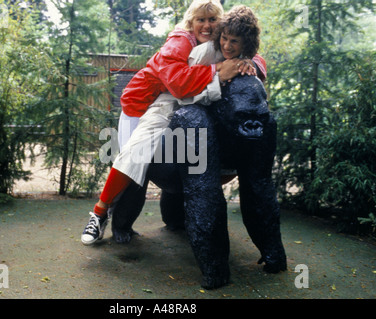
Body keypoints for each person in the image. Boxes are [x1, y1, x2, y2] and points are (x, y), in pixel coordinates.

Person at [81, 1, 262, 245]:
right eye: (200, 19)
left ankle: (174, 218)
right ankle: (101, 214)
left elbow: (252, 50)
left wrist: (250, 64)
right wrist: (218, 69)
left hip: (185, 100)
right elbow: (177, 83)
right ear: (191, 21)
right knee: (137, 161)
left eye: (212, 20)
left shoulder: (222, 40)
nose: (206, 25)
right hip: (144, 103)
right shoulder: (181, 41)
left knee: (181, 160)